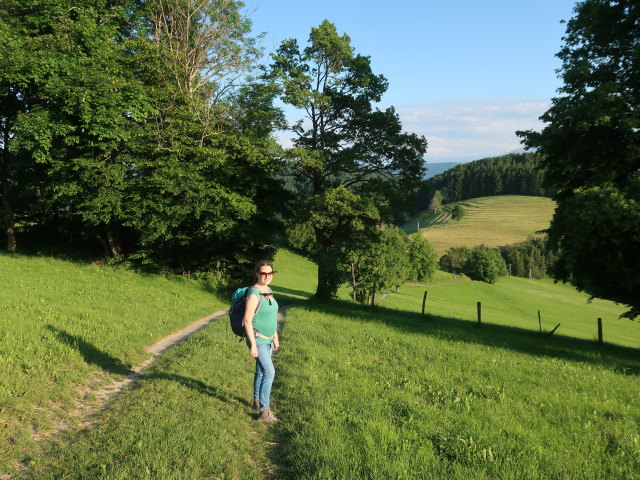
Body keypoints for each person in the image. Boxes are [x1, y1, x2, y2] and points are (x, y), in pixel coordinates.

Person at [244, 260, 280, 423]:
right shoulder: (254, 293)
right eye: (263, 273)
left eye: (270, 273)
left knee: (260, 371)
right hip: (257, 340)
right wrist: (252, 345)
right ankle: (264, 413)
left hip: (267, 339)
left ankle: (257, 402)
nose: (267, 276)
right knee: (269, 372)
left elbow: (271, 316)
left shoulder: (268, 290)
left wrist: (275, 336)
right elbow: (247, 320)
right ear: (257, 274)